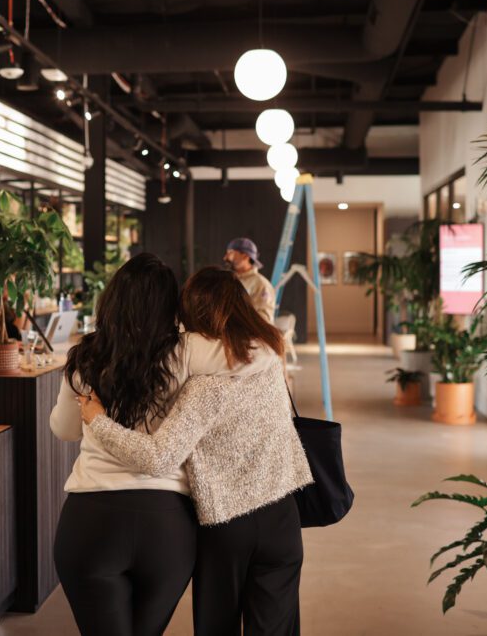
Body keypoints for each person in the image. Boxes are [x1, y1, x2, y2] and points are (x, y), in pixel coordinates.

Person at [80, 266, 313, 636]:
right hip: (283, 519)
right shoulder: (271, 358)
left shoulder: (204, 388)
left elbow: (158, 457)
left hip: (227, 525)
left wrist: (98, 421)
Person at [224, 237, 276, 322]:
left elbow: (264, 320)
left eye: (231, 253)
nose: (225, 258)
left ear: (245, 256)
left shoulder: (261, 284)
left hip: (245, 334)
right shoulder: (227, 281)